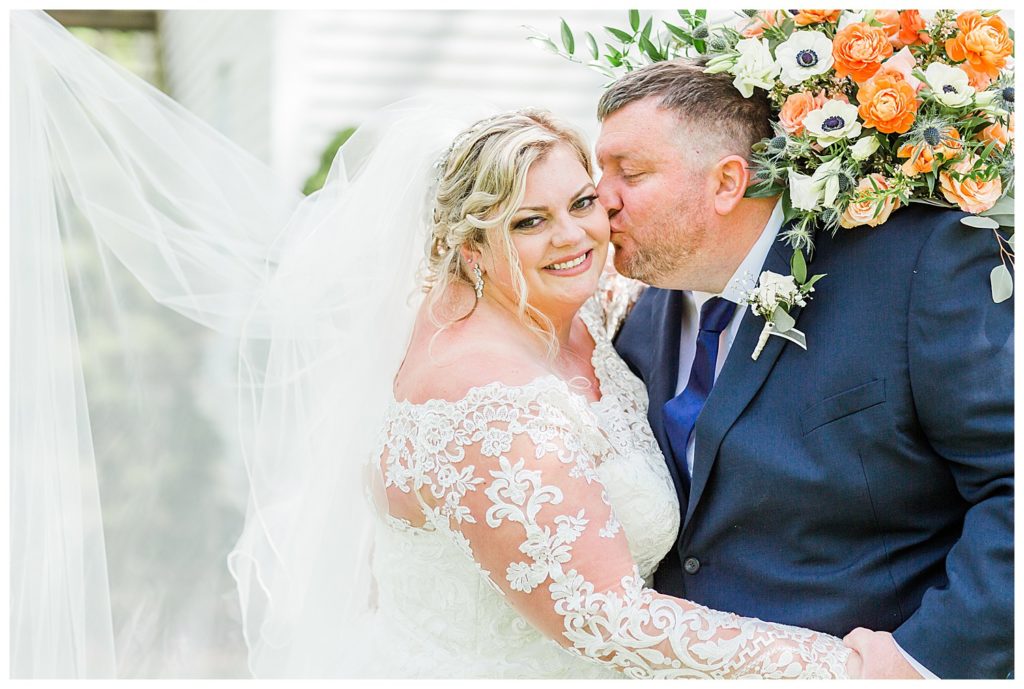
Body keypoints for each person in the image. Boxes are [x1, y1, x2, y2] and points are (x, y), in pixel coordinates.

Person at [12, 12, 857, 678]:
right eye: (528, 220)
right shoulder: (481, 395)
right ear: (468, 247)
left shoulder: (583, 324)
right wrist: (847, 664)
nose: (575, 235)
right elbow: (605, 618)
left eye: (582, 202)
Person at [600, 59, 1014, 680]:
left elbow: (1011, 479)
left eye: (630, 173)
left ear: (727, 182)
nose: (599, 198)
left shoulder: (919, 267)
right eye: (597, 172)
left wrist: (924, 659)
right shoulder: (639, 305)